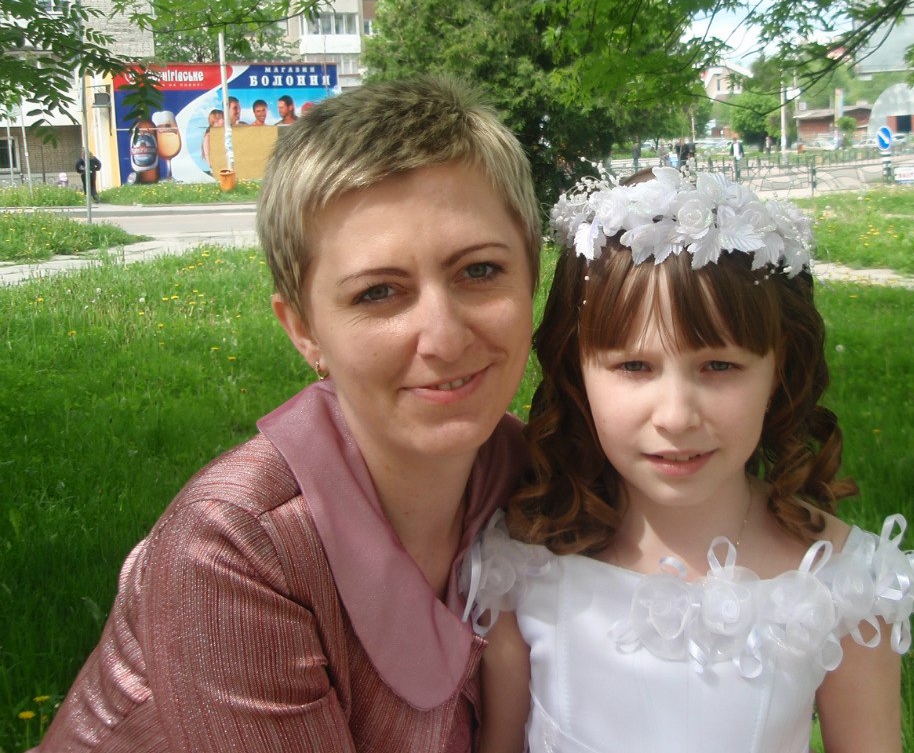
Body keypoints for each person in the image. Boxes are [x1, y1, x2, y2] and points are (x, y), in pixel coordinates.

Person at [34, 77, 542, 753]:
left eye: (479, 271)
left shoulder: (533, 473)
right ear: (303, 330)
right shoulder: (232, 550)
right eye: (378, 292)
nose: (444, 339)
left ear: (531, 276)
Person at [464, 167, 914, 753]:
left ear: (779, 368)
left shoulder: (843, 586)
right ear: (577, 371)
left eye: (719, 366)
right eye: (634, 366)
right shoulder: (525, 566)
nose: (677, 416)